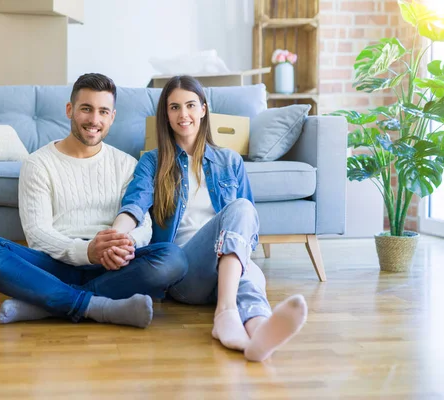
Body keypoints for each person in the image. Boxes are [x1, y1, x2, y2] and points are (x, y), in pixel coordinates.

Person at [0, 73, 188, 329]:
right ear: (70, 110)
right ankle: (96, 306)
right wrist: (87, 251)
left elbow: (143, 225)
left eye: (103, 111)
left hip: (113, 266)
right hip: (55, 263)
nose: (94, 120)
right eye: (86, 109)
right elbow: (37, 234)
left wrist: (120, 246)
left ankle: (48, 303)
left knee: (173, 258)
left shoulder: (126, 164)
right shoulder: (38, 163)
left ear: (112, 117)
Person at [113, 75, 307, 361]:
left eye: (191, 105)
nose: (184, 115)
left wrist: (242, 262)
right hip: (185, 274)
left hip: (224, 272)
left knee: (249, 273)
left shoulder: (230, 161)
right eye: (175, 107)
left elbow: (248, 227)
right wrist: (116, 235)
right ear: (166, 115)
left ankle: (259, 333)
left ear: (204, 109)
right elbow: (134, 205)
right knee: (240, 211)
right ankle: (226, 312)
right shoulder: (153, 161)